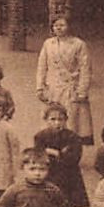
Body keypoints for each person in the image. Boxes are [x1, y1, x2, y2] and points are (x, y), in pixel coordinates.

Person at [35, 14, 92, 143]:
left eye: (62, 25)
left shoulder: (78, 44)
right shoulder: (48, 44)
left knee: (71, 122)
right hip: (53, 88)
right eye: (56, 26)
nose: (59, 28)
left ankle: (71, 152)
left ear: (69, 26)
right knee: (52, 119)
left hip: (71, 88)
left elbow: (85, 68)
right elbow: (42, 67)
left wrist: (82, 91)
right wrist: (40, 87)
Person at [33, 102, 90, 207]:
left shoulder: (73, 137)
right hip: (48, 176)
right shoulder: (40, 137)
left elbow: (74, 159)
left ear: (66, 120)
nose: (57, 123)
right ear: (46, 120)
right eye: (52, 119)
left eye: (61, 119)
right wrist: (46, 152)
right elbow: (38, 157)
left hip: (68, 178)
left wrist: (56, 154)